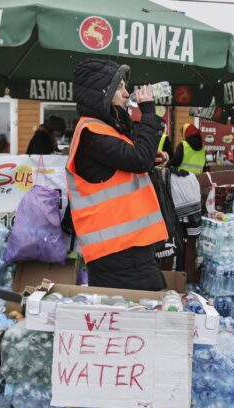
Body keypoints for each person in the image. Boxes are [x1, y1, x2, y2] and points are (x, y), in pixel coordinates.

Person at [67, 59, 168, 291]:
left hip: (126, 246)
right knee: (146, 308)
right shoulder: (92, 133)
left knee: (146, 306)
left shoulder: (103, 128)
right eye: (120, 87)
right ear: (104, 91)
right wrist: (149, 113)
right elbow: (138, 160)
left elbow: (129, 160)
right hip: (116, 250)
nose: (126, 93)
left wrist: (152, 154)